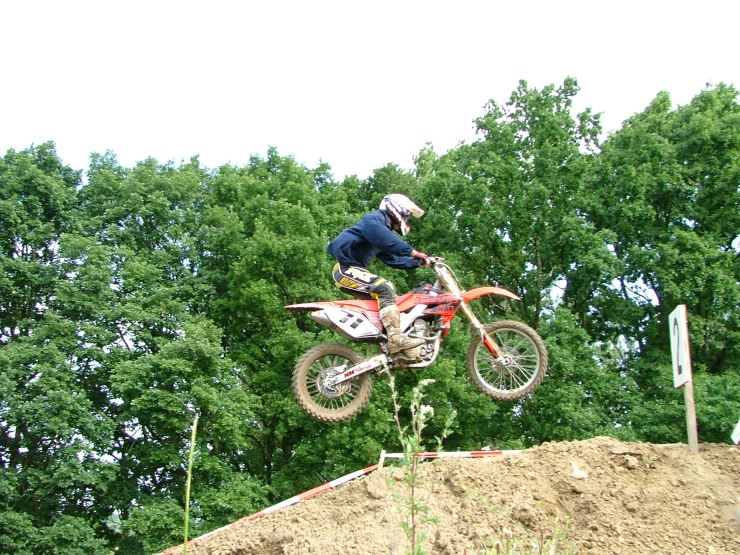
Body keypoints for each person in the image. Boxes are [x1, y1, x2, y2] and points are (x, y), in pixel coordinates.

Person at [327, 193, 431, 354]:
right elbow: (387, 240)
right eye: (407, 213)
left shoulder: (379, 232)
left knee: (393, 301)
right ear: (396, 207)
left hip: (354, 270)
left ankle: (389, 348)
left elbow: (393, 259)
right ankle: (395, 339)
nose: (407, 218)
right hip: (345, 269)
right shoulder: (373, 220)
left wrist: (417, 262)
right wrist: (413, 252)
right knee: (385, 287)